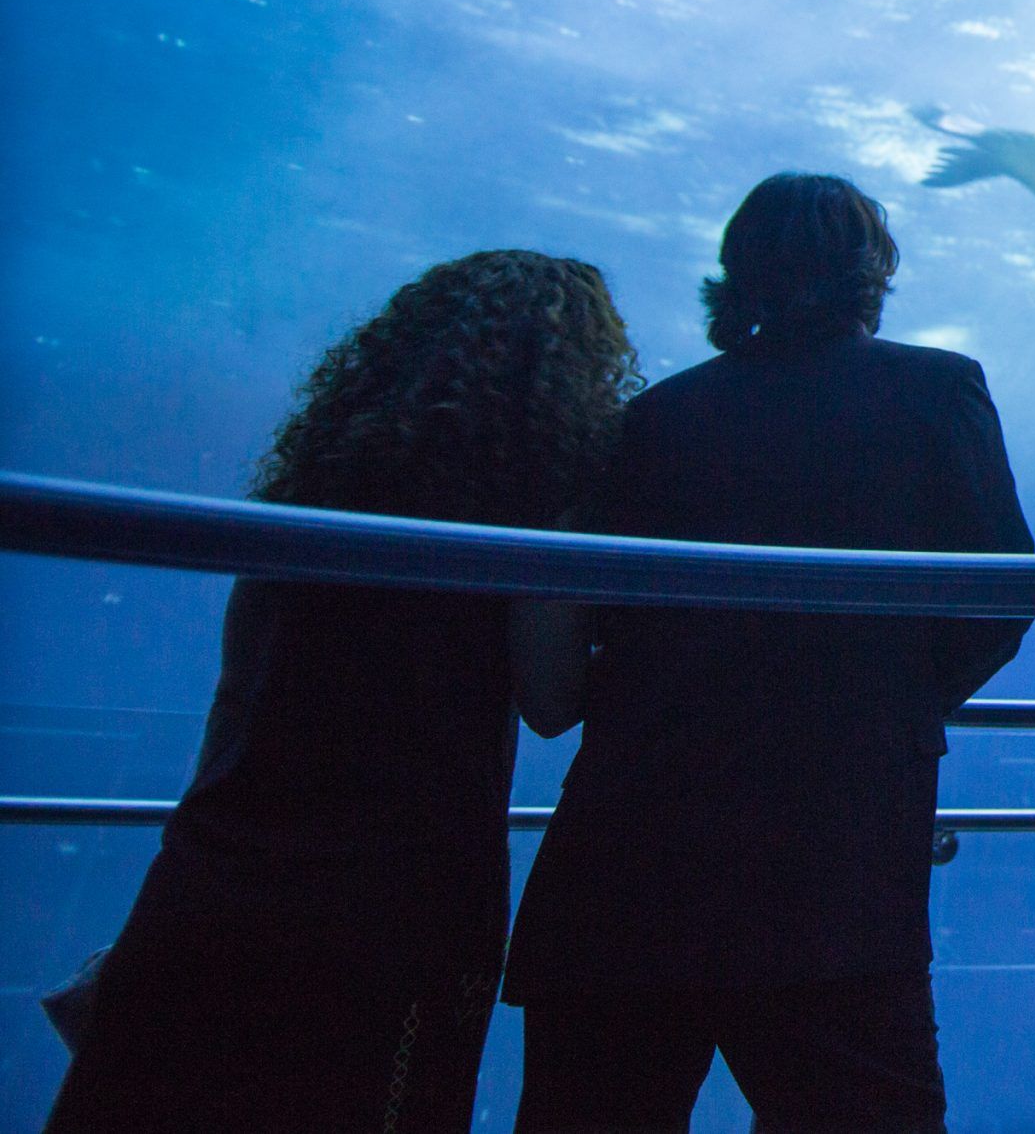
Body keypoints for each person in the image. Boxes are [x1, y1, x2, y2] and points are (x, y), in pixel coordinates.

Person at [45, 251, 641, 1134]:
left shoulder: (316, 484)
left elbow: (234, 697)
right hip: (401, 890)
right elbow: (550, 701)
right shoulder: (536, 507)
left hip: (221, 867)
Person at [504, 172, 1034, 1134]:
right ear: (872, 274)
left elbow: (561, 678)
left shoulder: (652, 420)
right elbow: (1002, 599)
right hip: (830, 878)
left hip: (624, 873)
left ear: (734, 273)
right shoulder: (937, 390)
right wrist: (883, 706)